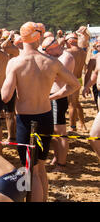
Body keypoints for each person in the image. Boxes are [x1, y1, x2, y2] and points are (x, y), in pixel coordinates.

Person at [1, 22, 80, 202]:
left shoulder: (16, 63)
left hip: (26, 121)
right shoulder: (51, 62)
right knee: (41, 167)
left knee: (31, 170)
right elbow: (75, 84)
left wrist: (11, 79)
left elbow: (5, 97)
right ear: (38, 38)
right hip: (45, 116)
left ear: (22, 39)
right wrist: (53, 96)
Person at [41, 36, 75, 172]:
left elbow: (57, 77)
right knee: (54, 131)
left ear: (55, 47)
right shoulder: (56, 57)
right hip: (52, 95)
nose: (47, 54)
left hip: (58, 96)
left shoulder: (66, 57)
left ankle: (62, 163)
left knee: (60, 131)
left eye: (48, 51)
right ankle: (57, 157)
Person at [65, 32, 88, 132]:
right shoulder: (83, 52)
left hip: (70, 80)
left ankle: (72, 126)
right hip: (78, 79)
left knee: (71, 105)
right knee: (76, 103)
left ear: (69, 41)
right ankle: (83, 124)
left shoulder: (67, 52)